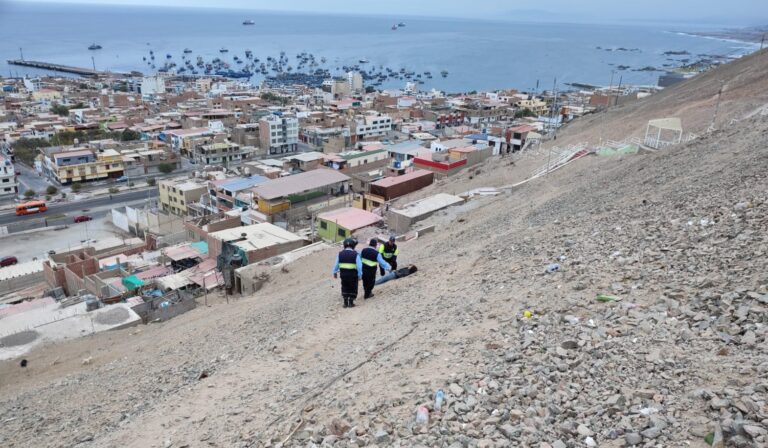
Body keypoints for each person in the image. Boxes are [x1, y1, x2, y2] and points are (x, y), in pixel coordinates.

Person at [332, 238, 363, 308]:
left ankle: (345, 303)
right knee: (353, 287)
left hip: (343, 275)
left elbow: (336, 265)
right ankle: (351, 303)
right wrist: (360, 275)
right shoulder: (356, 254)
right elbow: (359, 266)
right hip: (353, 275)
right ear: (353, 246)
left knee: (344, 286)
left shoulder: (340, 254)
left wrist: (334, 272)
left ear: (344, 245)